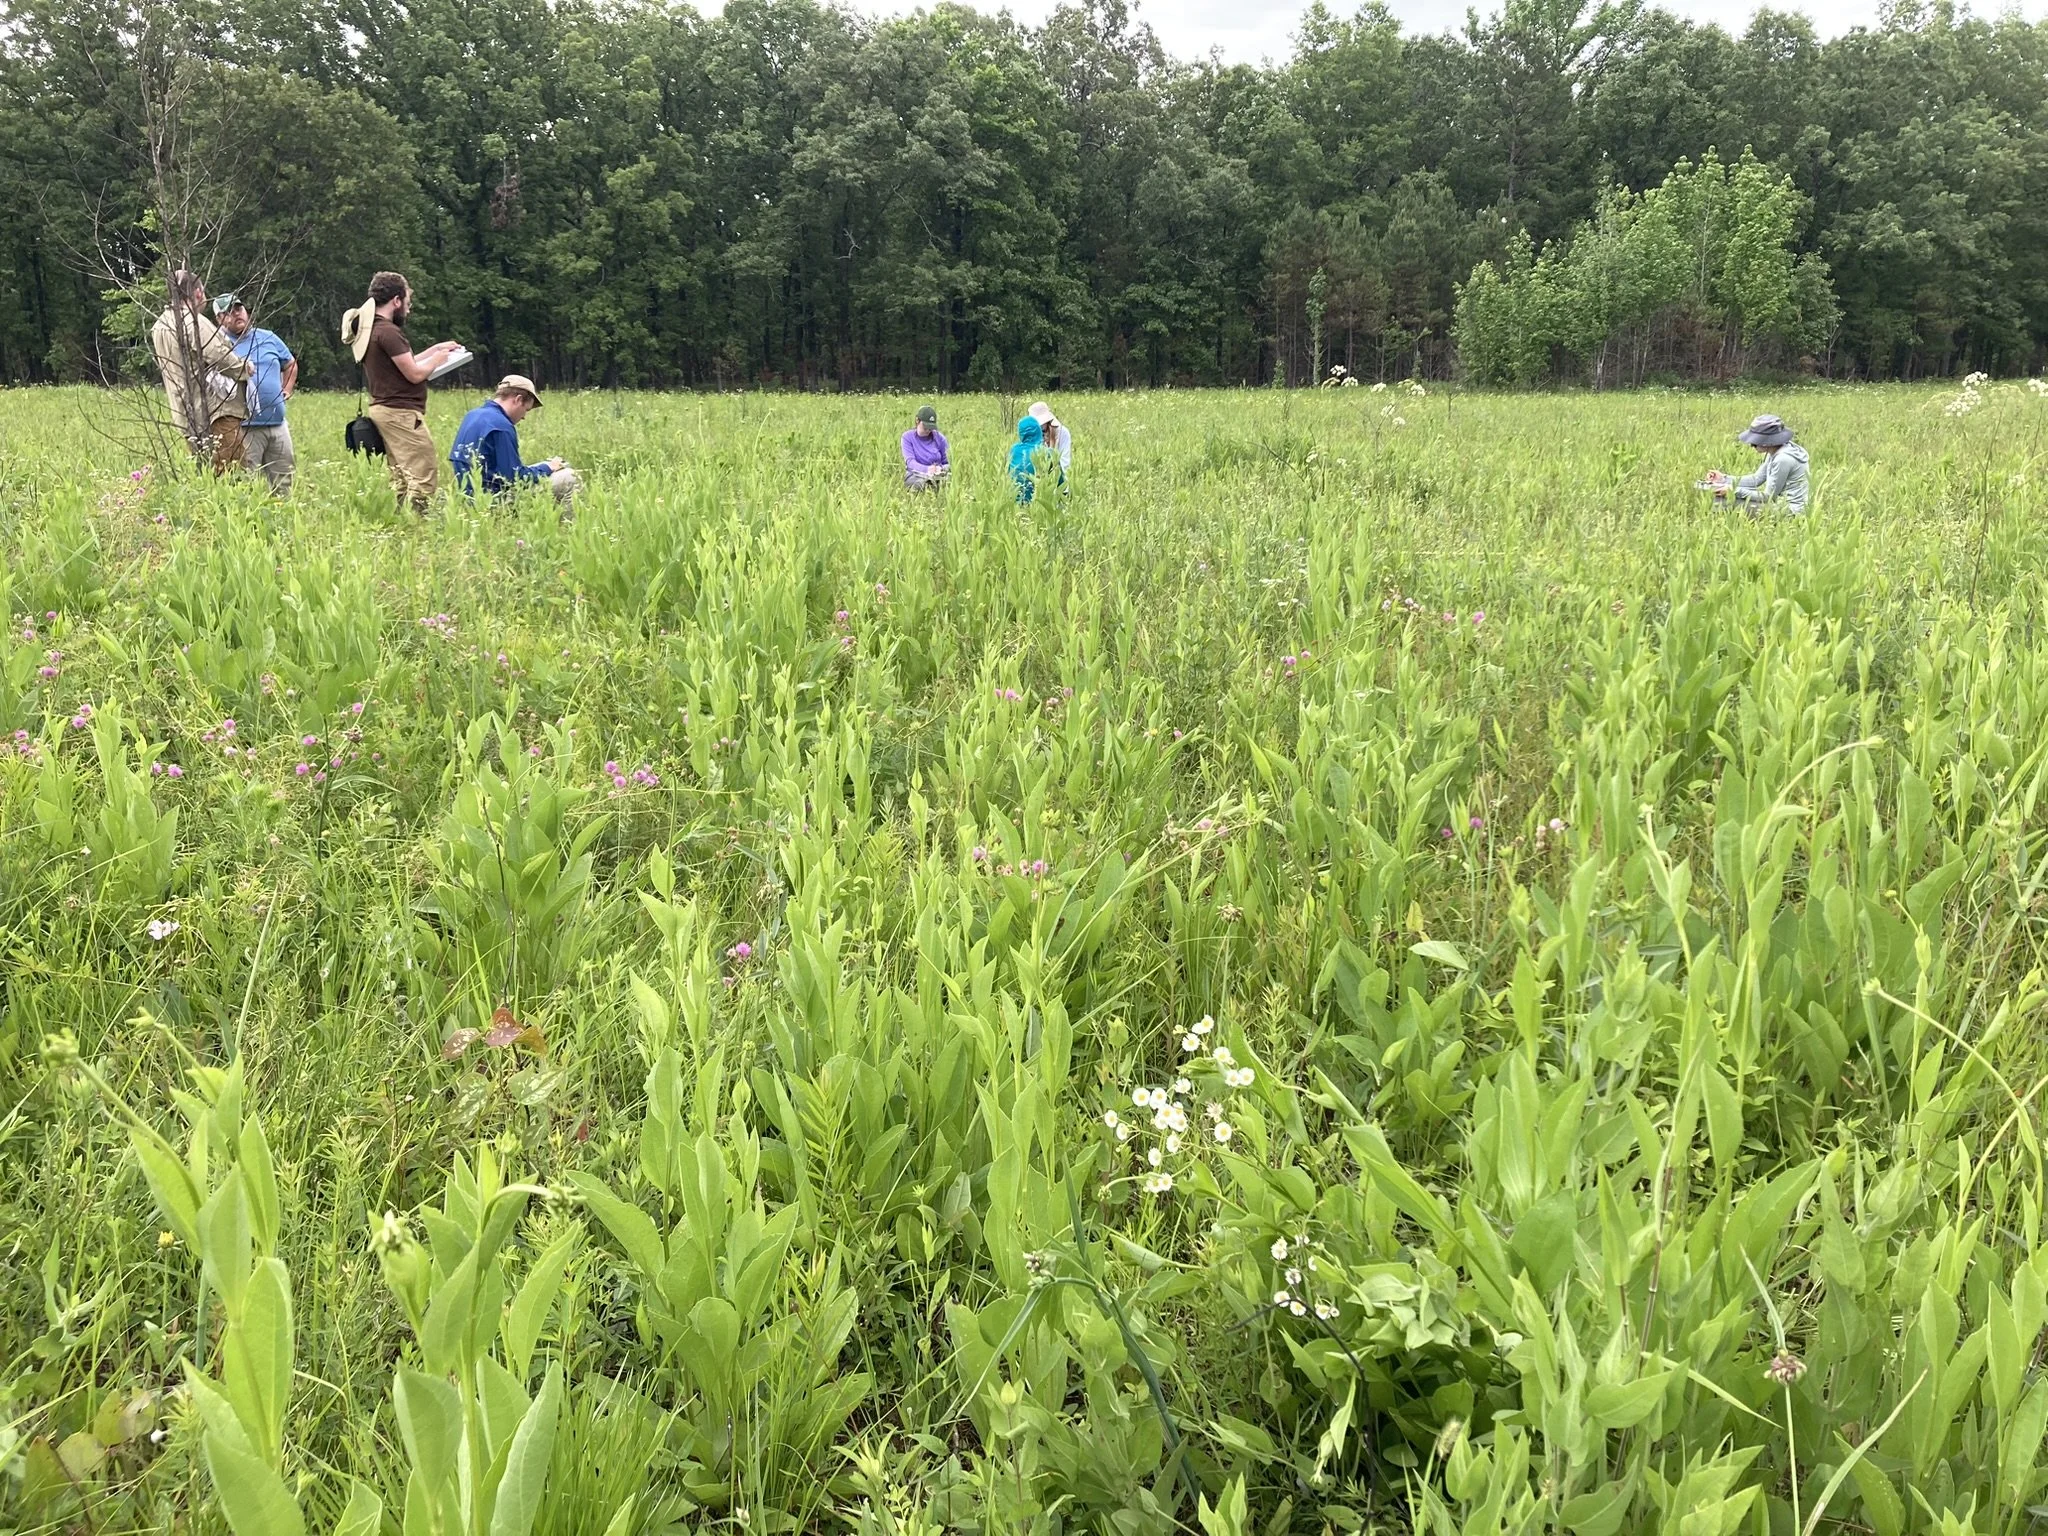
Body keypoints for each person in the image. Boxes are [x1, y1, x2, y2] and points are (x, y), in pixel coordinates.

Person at [346, 271, 465, 513]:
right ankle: (420, 524)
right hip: (400, 413)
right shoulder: (389, 332)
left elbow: (403, 364)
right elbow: (414, 374)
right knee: (423, 472)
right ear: (396, 301)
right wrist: (439, 359)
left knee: (401, 475)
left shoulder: (372, 330)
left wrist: (435, 350)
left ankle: (403, 518)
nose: (408, 310)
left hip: (384, 410)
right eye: (407, 303)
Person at [149, 269, 253, 474]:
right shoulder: (193, 321)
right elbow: (218, 354)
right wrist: (244, 368)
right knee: (233, 473)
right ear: (197, 292)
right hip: (214, 411)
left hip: (185, 414)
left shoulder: (160, 325)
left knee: (206, 472)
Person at [448, 375, 581, 510]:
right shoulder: (501, 426)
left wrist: (545, 467)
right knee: (569, 477)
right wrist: (548, 468)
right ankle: (569, 525)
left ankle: (547, 517)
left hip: (470, 496)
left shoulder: (472, 415)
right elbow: (515, 477)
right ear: (518, 400)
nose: (524, 417)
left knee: (547, 468)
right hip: (493, 500)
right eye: (526, 410)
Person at [216, 293, 297, 495]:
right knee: (246, 483)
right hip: (244, 427)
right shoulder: (219, 344)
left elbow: (290, 363)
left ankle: (282, 520)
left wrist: (286, 389)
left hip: (277, 422)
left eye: (238, 308)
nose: (236, 314)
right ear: (219, 319)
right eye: (228, 312)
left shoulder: (267, 337)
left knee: (284, 482)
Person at [1704, 414, 1809, 515]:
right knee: (1728, 496)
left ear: (1766, 442)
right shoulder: (1775, 451)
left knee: (1721, 502)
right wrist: (1724, 479)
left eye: (1754, 443)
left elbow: (1768, 497)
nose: (1752, 446)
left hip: (1790, 511)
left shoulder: (1782, 459)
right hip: (1779, 505)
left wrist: (1733, 490)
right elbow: (1756, 479)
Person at [901, 403, 949, 490]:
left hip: (938, 475)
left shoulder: (939, 438)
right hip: (915, 475)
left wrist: (941, 468)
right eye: (925, 427)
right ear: (917, 421)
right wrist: (927, 469)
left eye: (930, 428)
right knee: (921, 484)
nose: (928, 430)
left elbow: (948, 462)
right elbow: (910, 462)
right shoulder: (907, 437)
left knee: (948, 483)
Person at [1027, 401, 1072, 491]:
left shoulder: (1063, 432)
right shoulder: (1032, 434)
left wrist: (1052, 443)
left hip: (1058, 478)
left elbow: (1065, 462)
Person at [1009, 414, 1048, 504]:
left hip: (1015, 502)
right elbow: (1060, 483)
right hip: (1037, 502)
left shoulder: (1013, 450)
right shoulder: (1046, 452)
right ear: (1038, 431)